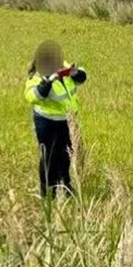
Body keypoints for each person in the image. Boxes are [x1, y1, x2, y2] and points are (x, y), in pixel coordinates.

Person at [23, 40, 87, 196]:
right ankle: (48, 191)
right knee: (49, 157)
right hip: (46, 122)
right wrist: (50, 80)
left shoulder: (62, 65)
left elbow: (82, 78)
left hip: (67, 120)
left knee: (66, 154)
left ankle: (65, 185)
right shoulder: (36, 77)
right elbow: (33, 96)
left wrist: (74, 72)